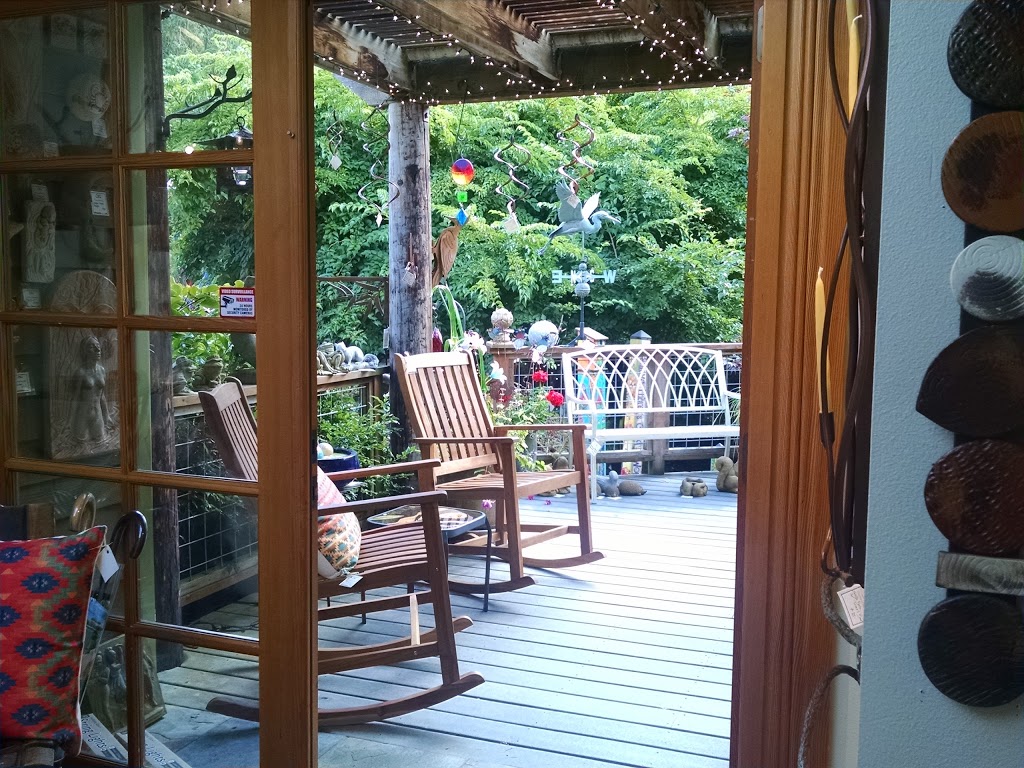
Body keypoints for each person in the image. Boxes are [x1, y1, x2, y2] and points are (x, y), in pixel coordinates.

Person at [69, 334, 114, 443]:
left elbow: (102, 396)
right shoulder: (80, 373)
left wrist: (106, 415)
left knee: (100, 442)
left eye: (98, 346)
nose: (98, 349)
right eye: (91, 347)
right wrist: (70, 421)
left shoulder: (102, 370)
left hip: (97, 415)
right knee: (80, 444)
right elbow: (75, 398)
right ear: (84, 351)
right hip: (83, 415)